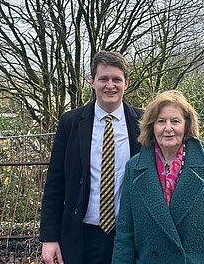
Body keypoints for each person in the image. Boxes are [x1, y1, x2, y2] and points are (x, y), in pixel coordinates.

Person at [112, 90, 204, 264]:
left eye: (175, 121)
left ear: (186, 126)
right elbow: (125, 234)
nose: (168, 128)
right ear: (151, 126)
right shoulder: (134, 169)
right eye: (161, 121)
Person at [39, 51, 143, 264]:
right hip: (81, 235)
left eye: (116, 79)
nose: (110, 85)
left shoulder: (143, 123)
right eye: (103, 78)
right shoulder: (70, 122)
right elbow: (55, 183)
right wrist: (49, 237)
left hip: (130, 235)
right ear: (92, 81)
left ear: (127, 83)